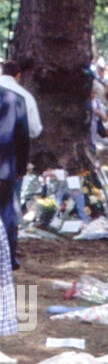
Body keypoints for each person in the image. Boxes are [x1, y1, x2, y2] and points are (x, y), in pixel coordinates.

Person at [0, 84, 29, 273]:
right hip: (4, 167)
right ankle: (7, 259)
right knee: (6, 215)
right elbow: (23, 137)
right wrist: (21, 167)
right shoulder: (15, 98)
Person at [0, 59, 42, 139]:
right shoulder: (26, 96)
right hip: (12, 147)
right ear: (18, 75)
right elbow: (35, 130)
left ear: (2, 73)